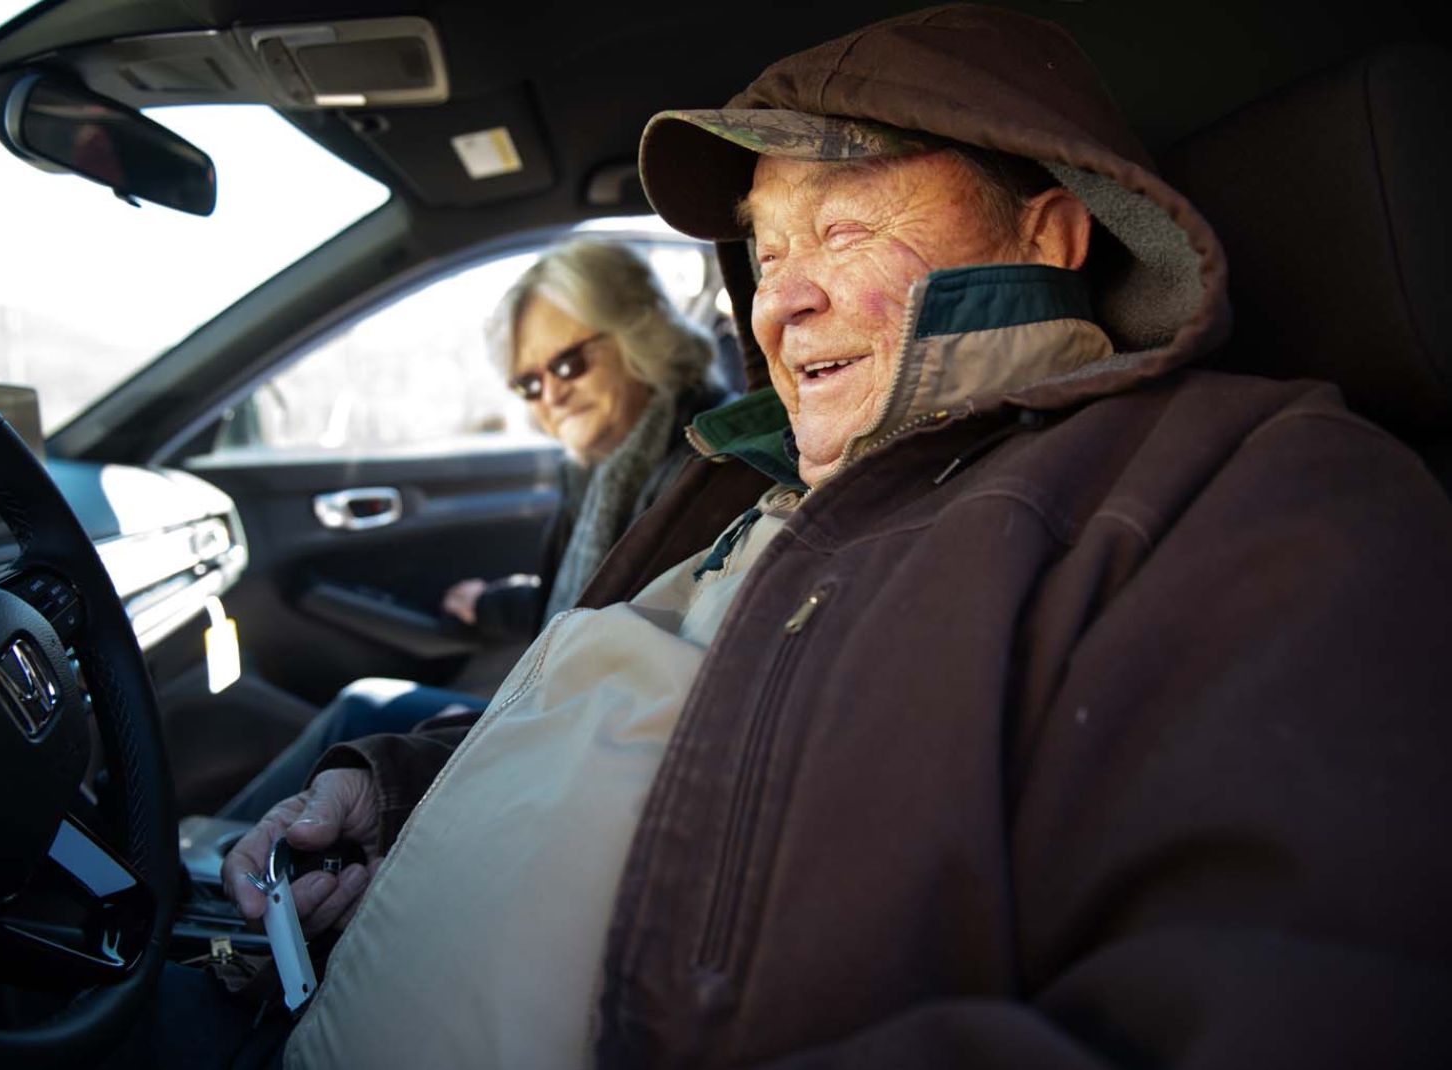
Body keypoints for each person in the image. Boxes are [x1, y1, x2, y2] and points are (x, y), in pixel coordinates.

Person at [219, 6, 1452, 1067]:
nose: (779, 298)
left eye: (847, 225)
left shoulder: (1256, 484)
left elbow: (1260, 998)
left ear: (1051, 234)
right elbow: (667, 715)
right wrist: (398, 795)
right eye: (764, 247)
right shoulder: (751, 490)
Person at [216, 238, 728, 822]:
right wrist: (489, 604)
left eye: (566, 363)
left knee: (362, 712)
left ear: (639, 334)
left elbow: (633, 649)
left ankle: (220, 868)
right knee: (363, 712)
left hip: (587, 754)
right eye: (529, 384)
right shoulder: (604, 465)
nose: (552, 394)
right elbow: (584, 599)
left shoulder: (698, 469)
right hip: (556, 713)